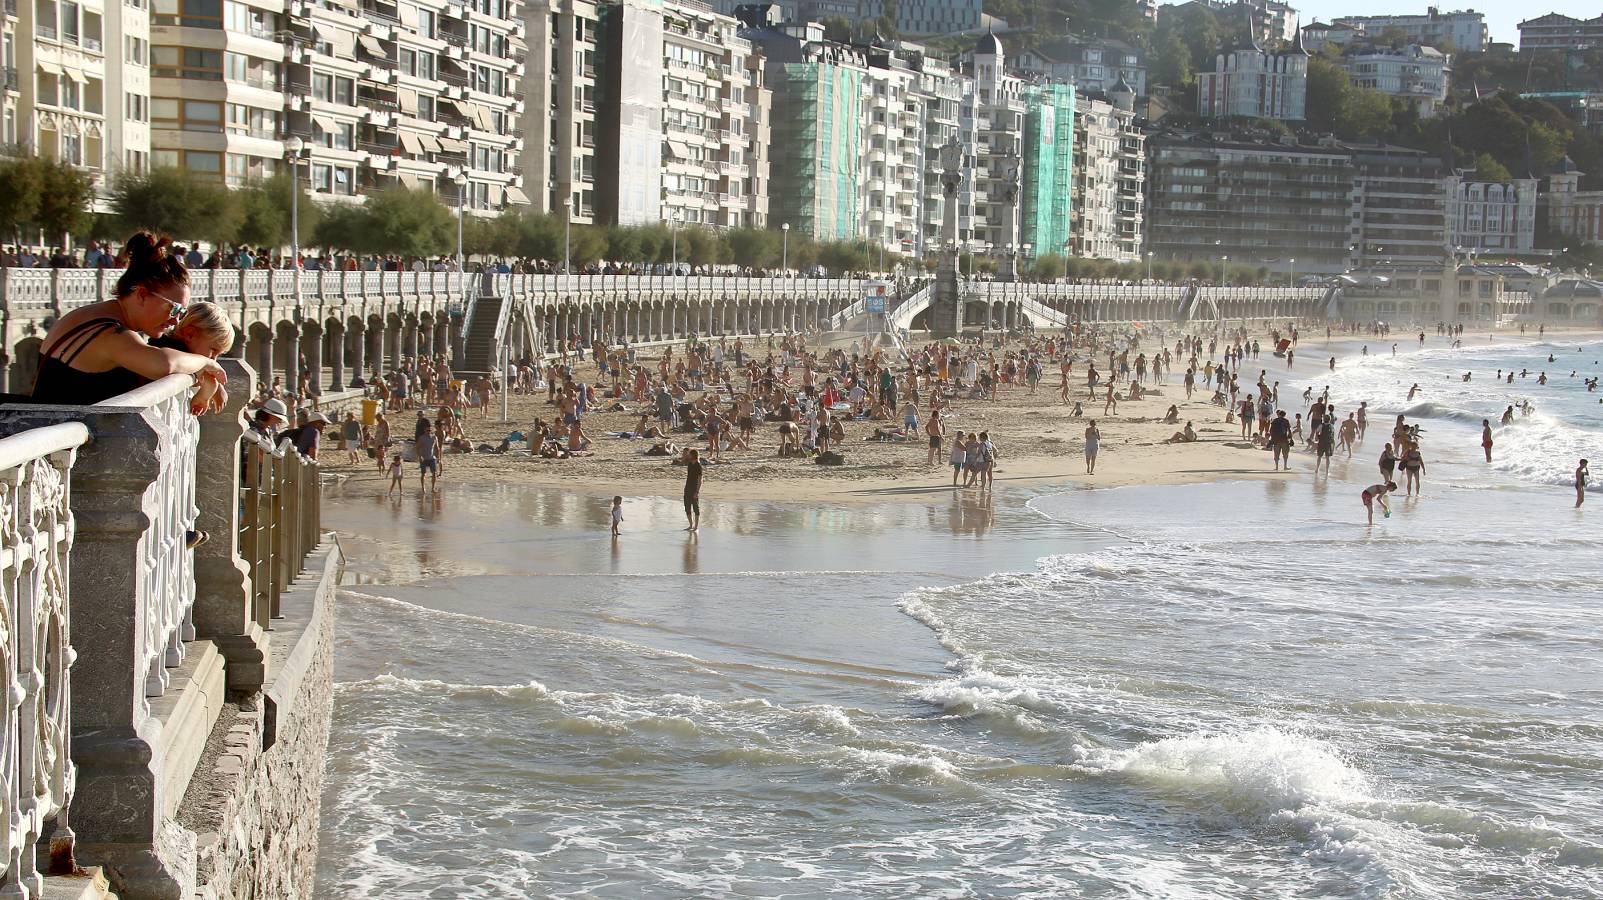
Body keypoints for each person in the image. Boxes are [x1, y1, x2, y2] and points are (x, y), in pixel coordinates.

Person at [31, 232, 227, 406]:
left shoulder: (97, 315)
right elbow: (163, 364)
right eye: (174, 308)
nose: (176, 320)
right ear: (142, 295)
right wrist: (206, 363)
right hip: (55, 443)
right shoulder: (108, 332)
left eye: (181, 313)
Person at [416, 419, 440, 492]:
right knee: (423, 474)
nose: (428, 432)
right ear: (424, 431)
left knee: (434, 473)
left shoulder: (434, 438)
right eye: (427, 431)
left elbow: (437, 448)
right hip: (424, 458)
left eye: (430, 431)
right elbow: (417, 448)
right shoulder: (422, 438)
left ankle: (433, 488)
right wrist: (420, 456)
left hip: (432, 458)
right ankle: (423, 488)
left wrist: (438, 458)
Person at [683, 448, 703, 531]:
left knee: (695, 507)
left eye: (690, 454)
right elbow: (684, 459)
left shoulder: (698, 465)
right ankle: (691, 525)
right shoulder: (690, 464)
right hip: (687, 487)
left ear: (693, 455)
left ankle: (696, 526)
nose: (688, 455)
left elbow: (700, 479)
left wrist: (697, 491)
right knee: (687, 507)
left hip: (694, 489)